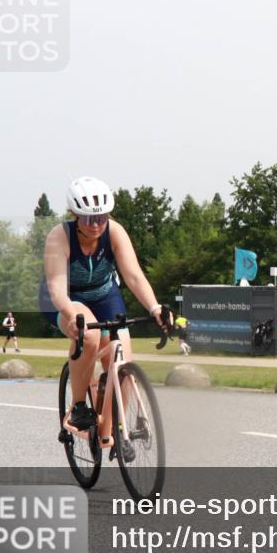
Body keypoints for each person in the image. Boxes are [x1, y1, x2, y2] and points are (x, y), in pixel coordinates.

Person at [39, 176, 170, 432]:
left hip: (103, 294)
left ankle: (112, 431)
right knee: (89, 334)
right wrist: (71, 316)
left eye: (102, 217)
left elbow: (133, 275)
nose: (97, 224)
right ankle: (78, 407)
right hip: (65, 297)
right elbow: (56, 288)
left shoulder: (115, 231)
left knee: (121, 357)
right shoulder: (59, 237)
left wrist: (155, 308)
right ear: (74, 215)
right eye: (89, 218)